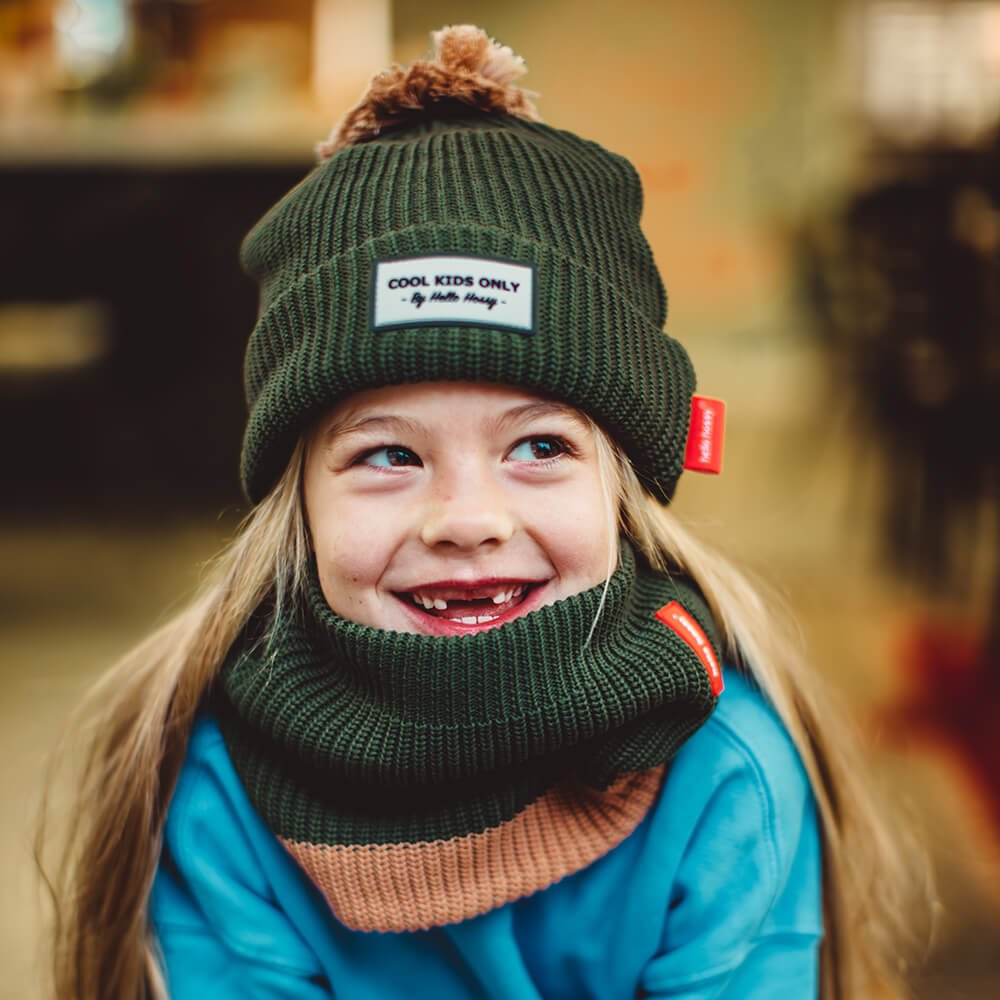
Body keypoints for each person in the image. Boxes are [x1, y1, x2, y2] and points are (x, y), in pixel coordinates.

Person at [45, 24, 919, 1000]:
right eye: (387, 454)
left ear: (622, 487)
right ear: (296, 508)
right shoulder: (222, 791)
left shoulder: (722, 775)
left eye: (539, 447)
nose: (465, 517)